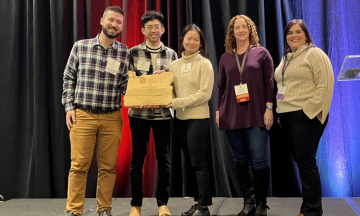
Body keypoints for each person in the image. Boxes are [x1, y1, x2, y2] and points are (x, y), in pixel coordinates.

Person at [62, 6, 128, 216]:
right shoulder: (80, 47)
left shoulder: (124, 52)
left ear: (121, 26)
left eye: (119, 22)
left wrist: (148, 89)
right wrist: (69, 107)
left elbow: (126, 86)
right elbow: (68, 78)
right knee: (79, 165)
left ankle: (104, 209)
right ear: (101, 21)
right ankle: (74, 210)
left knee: (108, 167)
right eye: (111, 20)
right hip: (83, 115)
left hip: (111, 117)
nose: (114, 24)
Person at [216, 15, 274, 216]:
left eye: (244, 27)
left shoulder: (262, 53)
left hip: (257, 113)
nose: (241, 30)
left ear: (250, 30)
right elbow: (221, 87)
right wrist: (218, 111)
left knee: (259, 160)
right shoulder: (225, 57)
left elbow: (269, 83)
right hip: (231, 115)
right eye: (236, 27)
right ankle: (248, 202)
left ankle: (261, 203)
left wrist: (269, 108)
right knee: (240, 160)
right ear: (232, 32)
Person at [275, 19, 334, 216]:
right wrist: (280, 111)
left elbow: (325, 84)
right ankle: (307, 207)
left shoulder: (314, 53)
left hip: (306, 114)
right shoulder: (287, 58)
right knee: (301, 161)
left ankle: (313, 211)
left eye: (298, 31)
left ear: (306, 34)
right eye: (290, 32)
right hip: (287, 116)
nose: (294, 35)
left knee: (306, 161)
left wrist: (309, 111)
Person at [127, 10, 178, 216]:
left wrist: (166, 88)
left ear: (163, 30)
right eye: (149, 27)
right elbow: (128, 80)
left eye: (157, 27)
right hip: (138, 115)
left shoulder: (172, 54)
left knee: (164, 160)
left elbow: (176, 84)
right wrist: (136, 99)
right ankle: (135, 205)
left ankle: (162, 203)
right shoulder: (133, 52)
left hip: (163, 115)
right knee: (137, 159)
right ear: (143, 30)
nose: (154, 30)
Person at [167, 24, 214, 216]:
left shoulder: (205, 64)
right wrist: (160, 81)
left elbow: (205, 94)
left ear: (201, 43)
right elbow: (168, 89)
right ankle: (196, 202)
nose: (192, 42)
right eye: (189, 38)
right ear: (182, 41)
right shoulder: (173, 66)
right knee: (190, 164)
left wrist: (177, 102)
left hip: (198, 119)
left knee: (199, 163)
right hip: (180, 120)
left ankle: (204, 207)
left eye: (196, 39)